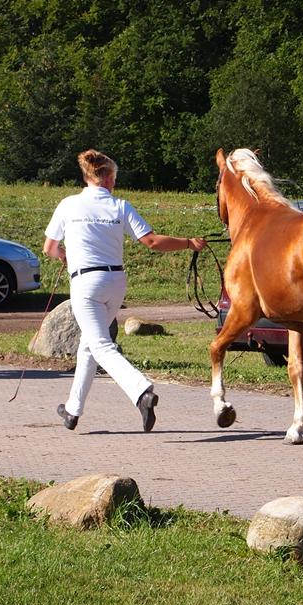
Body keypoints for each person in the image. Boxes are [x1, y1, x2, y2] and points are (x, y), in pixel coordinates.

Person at [43, 149, 207, 432]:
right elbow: (153, 242)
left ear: (87, 177)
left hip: (85, 285)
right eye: (115, 177)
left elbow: (50, 247)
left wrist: (64, 256)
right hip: (115, 283)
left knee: (101, 345)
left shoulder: (68, 205)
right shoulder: (120, 206)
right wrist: (189, 242)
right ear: (108, 179)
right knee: (89, 346)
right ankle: (72, 410)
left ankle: (141, 391)